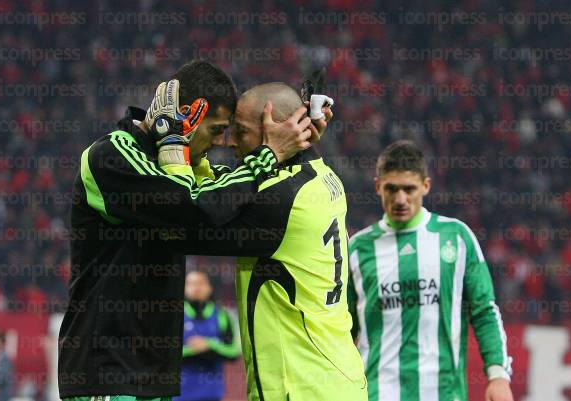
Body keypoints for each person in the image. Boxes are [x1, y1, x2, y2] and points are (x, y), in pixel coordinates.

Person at [58, 61, 313, 401]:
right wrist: (268, 155)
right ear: (187, 116)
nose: (218, 143)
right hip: (107, 375)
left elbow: (231, 196)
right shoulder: (111, 157)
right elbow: (192, 209)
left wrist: (295, 144)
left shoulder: (182, 167)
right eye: (215, 129)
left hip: (154, 377)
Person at [171, 82, 366, 401]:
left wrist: (178, 152)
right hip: (336, 378)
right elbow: (236, 186)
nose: (230, 141)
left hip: (300, 387)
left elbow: (191, 217)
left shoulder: (279, 201)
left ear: (277, 131)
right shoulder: (320, 175)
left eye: (242, 131)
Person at [347, 140, 514, 401]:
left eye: (409, 189)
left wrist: (498, 375)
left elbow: (484, 310)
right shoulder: (357, 249)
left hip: (443, 393)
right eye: (391, 189)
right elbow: (341, 328)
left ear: (426, 186)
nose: (400, 199)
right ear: (378, 186)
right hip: (376, 393)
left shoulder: (457, 238)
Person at [175, 271, 240, 401]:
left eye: (200, 283)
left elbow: (234, 351)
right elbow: (162, 354)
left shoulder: (222, 316)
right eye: (190, 283)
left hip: (212, 394)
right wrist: (192, 349)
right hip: (178, 395)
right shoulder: (174, 316)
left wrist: (209, 344)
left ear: (210, 288)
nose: (196, 288)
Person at [0, 330, 13, 401]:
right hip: (0, 394)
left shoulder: (3, 357)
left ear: (0, 341)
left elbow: (1, 378)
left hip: (3, 395)